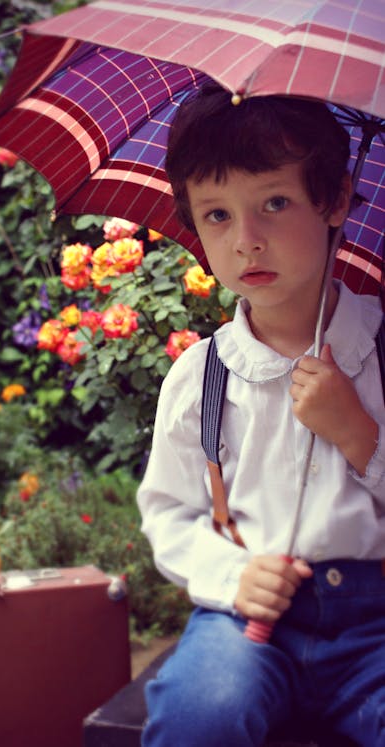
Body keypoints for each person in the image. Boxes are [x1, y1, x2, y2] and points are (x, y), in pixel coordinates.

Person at [137, 82, 385, 747]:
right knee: (201, 712)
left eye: (275, 202)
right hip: (246, 619)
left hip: (376, 623)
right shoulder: (201, 376)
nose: (247, 240)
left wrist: (360, 433)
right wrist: (232, 575)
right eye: (217, 214)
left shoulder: (378, 352)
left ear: (333, 201)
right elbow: (169, 513)